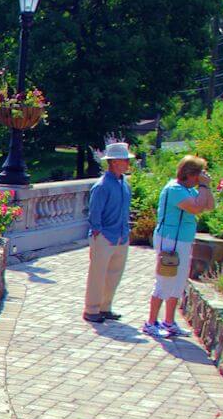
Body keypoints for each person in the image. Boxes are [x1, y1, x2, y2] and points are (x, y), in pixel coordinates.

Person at [143, 155, 215, 338]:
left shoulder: (188, 189)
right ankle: (150, 323)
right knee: (164, 279)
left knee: (178, 282)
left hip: (182, 240)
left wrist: (207, 187)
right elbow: (197, 208)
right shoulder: (175, 189)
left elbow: (209, 206)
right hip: (170, 241)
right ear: (190, 174)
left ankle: (169, 322)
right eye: (199, 175)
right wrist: (204, 186)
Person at [83, 142, 134, 323]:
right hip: (104, 236)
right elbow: (94, 212)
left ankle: (105, 307)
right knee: (98, 274)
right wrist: (98, 232)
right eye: (125, 159)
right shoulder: (102, 185)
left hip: (121, 236)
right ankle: (91, 309)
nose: (128, 163)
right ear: (114, 162)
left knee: (114, 274)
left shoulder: (124, 183)